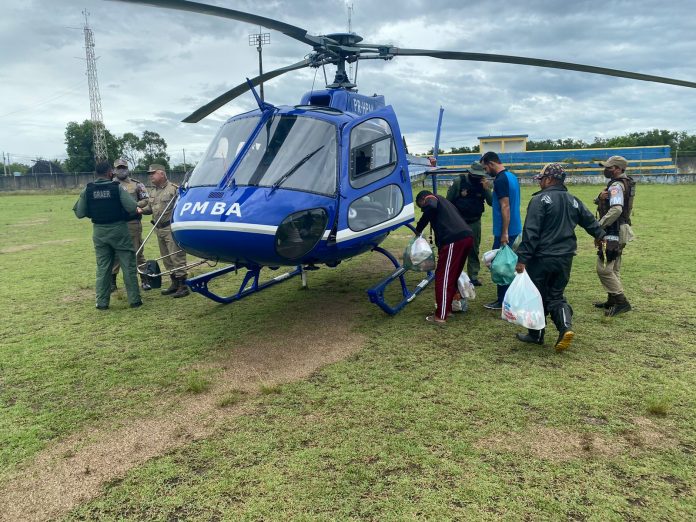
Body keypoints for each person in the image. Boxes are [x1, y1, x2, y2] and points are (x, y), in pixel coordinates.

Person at [514, 163, 606, 351]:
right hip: (565, 257)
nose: (539, 183)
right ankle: (565, 327)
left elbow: (531, 232)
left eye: (541, 179)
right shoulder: (573, 200)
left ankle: (536, 334)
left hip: (541, 258)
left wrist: (522, 258)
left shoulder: (539, 200)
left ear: (548, 179)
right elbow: (590, 221)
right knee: (556, 295)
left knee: (536, 296)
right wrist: (600, 235)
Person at [72, 161, 142, 310]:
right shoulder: (117, 188)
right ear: (110, 173)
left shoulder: (87, 190)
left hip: (99, 232)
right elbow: (131, 207)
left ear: (96, 174)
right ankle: (134, 300)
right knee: (128, 265)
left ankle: (102, 302)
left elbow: (79, 213)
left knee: (103, 267)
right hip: (119, 230)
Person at [414, 190, 474, 325]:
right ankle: (450, 308)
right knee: (452, 276)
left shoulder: (431, 199)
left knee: (443, 277)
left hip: (453, 240)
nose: (423, 209)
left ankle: (441, 316)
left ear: (423, 198)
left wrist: (419, 227)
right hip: (466, 237)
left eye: (421, 206)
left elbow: (430, 206)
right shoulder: (446, 203)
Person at [140, 163, 190, 298]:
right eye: (150, 174)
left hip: (170, 228)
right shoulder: (153, 191)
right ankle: (174, 283)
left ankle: (183, 285)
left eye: (153, 173)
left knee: (176, 256)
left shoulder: (174, 189)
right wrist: (140, 210)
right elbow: (150, 208)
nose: (151, 176)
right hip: (158, 228)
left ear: (162, 173)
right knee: (167, 258)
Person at [594, 155, 635, 316]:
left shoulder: (616, 186)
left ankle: (621, 302)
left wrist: (599, 225)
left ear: (618, 169)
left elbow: (616, 209)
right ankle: (612, 299)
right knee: (614, 266)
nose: (606, 170)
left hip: (613, 230)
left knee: (604, 268)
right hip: (621, 228)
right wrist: (599, 198)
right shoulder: (626, 182)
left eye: (609, 167)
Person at [480, 151, 522, 309]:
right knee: (511, 264)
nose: (485, 171)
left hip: (506, 231)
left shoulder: (501, 180)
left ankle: (503, 300)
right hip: (515, 228)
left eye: (485, 167)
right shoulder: (511, 176)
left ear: (491, 164)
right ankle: (510, 296)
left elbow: (505, 206)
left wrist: (504, 233)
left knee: (501, 266)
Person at [446, 161, 493, 286]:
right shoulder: (458, 182)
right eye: (475, 175)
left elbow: (492, 202)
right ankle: (454, 276)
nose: (477, 178)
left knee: (473, 249)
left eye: (480, 175)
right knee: (457, 250)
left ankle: (473, 276)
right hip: (458, 223)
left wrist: (487, 188)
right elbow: (448, 202)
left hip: (475, 222)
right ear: (470, 172)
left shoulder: (484, 184)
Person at [110, 158, 150, 292]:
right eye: (118, 168)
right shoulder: (110, 185)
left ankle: (144, 280)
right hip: (116, 224)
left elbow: (145, 199)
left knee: (137, 252)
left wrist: (133, 206)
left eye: (124, 167)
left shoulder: (137, 185)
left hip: (133, 223)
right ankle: (112, 283)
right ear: (114, 170)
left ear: (128, 169)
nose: (121, 170)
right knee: (115, 253)